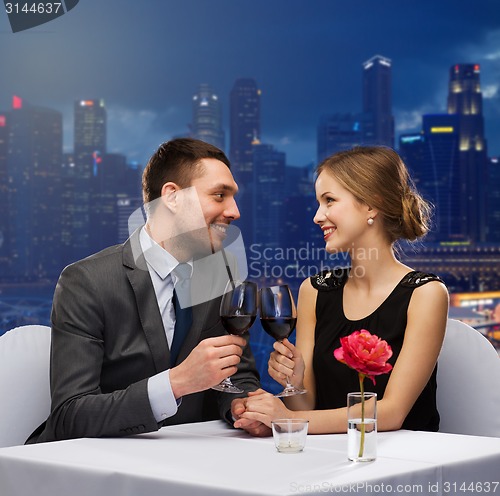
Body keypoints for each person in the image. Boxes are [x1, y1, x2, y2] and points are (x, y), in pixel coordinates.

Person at [27, 138, 270, 443]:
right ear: (172, 197)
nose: (234, 211)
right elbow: (71, 415)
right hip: (95, 470)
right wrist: (175, 383)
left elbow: (238, 377)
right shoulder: (86, 281)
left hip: (193, 462)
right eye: (219, 195)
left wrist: (242, 407)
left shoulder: (223, 274)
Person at [236, 146, 449, 434]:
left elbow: (391, 413)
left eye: (329, 201)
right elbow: (307, 406)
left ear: (372, 205)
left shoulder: (426, 294)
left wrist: (285, 419)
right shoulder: (314, 290)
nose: (317, 216)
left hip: (403, 463)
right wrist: (295, 383)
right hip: (331, 458)